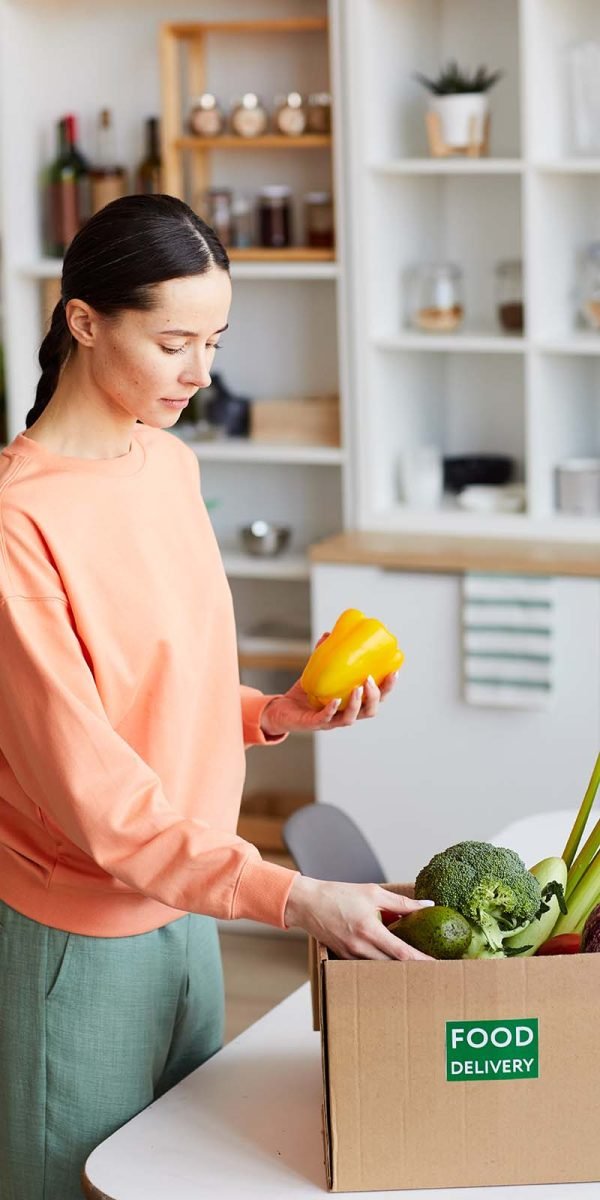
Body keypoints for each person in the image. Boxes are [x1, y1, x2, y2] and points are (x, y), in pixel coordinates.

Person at [0, 194, 431, 1200]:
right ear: (85, 320)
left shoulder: (170, 463)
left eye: (215, 340)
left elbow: (159, 687)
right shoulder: (18, 524)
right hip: (79, 944)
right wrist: (292, 894)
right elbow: (92, 790)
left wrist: (273, 713)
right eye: (175, 342)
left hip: (188, 916)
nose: (202, 373)